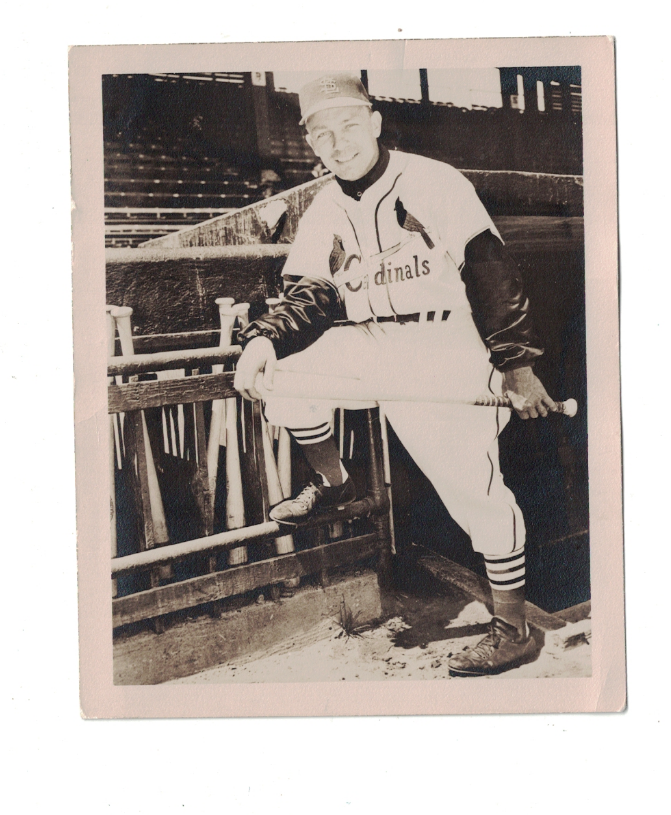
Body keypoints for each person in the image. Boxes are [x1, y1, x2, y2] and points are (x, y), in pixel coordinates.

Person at [234, 73, 556, 677]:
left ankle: (514, 629)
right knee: (281, 369)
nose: (338, 141)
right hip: (370, 340)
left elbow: (488, 268)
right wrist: (262, 338)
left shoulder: (432, 180)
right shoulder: (323, 207)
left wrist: (516, 366)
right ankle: (336, 480)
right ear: (311, 143)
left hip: (444, 343)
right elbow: (310, 294)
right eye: (322, 133)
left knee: (474, 494)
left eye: (349, 125)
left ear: (376, 122)